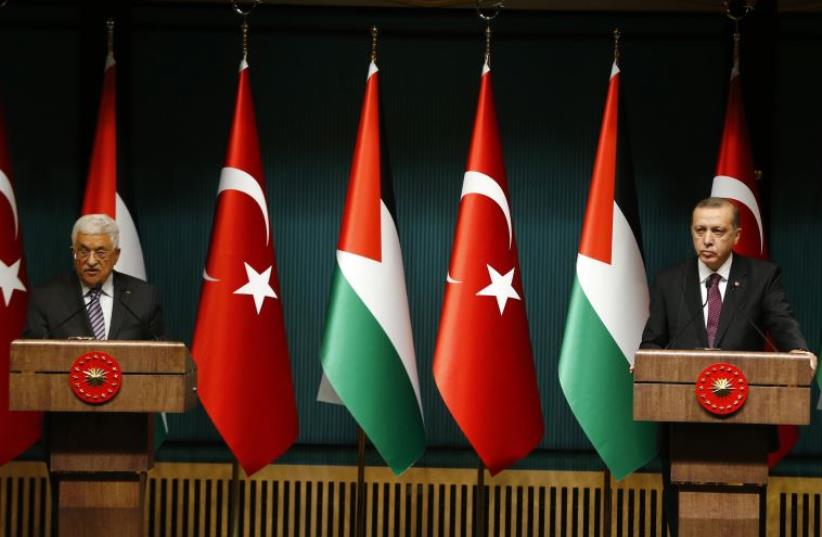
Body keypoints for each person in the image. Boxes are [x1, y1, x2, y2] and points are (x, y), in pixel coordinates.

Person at [640, 197, 815, 537]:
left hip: (743, 430)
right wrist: (647, 363)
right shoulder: (669, 281)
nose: (707, 239)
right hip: (682, 430)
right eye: (699, 230)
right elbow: (652, 341)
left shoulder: (763, 277)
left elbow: (781, 321)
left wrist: (798, 349)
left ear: (736, 234)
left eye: (717, 231)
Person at [24, 214, 164, 340]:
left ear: (116, 256)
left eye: (101, 252)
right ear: (74, 254)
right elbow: (32, 356)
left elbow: (160, 355)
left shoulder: (144, 297)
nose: (91, 261)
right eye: (83, 251)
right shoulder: (46, 298)